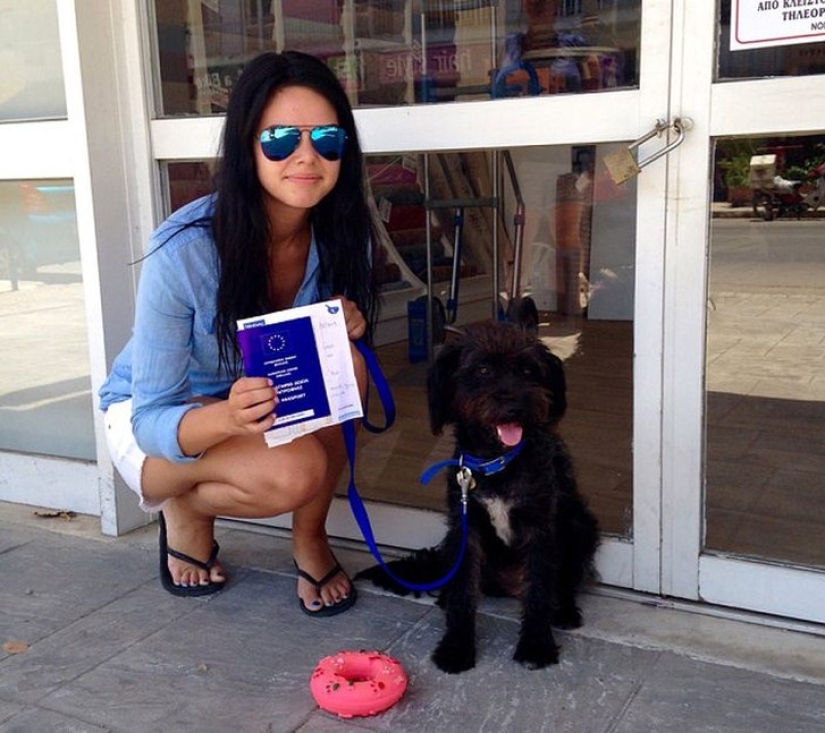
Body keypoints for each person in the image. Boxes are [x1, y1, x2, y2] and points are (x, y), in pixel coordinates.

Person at [99, 51, 379, 617]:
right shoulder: (184, 250)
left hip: (255, 405)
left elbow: (337, 388)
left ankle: (310, 540)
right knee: (295, 472)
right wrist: (227, 417)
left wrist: (343, 329)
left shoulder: (343, 234)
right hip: (158, 414)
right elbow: (151, 420)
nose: (307, 156)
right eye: (280, 139)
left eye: (327, 137)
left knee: (350, 372)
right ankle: (188, 509)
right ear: (247, 146)